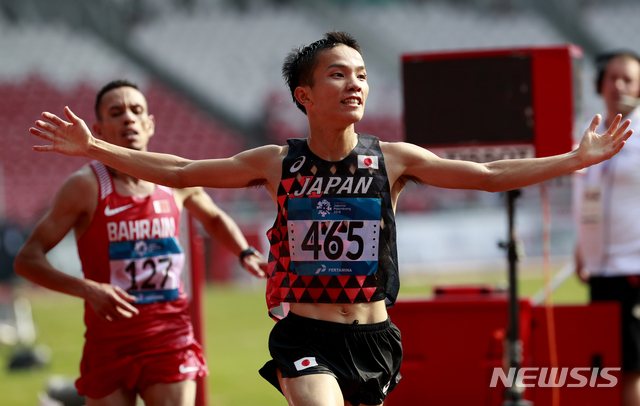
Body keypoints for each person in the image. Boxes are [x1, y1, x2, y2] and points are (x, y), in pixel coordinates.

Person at [28, 32, 632, 406]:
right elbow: (184, 171)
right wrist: (98, 150)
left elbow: (490, 176)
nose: (355, 84)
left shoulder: (393, 160)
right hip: (305, 337)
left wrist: (574, 159)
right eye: (338, 74)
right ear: (304, 95)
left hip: (374, 336)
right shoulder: (274, 162)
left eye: (362, 75)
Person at [14, 79, 267, 406]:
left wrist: (244, 252)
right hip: (109, 341)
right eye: (116, 113)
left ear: (150, 124)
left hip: (169, 336)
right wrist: (89, 289)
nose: (128, 119)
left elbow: (214, 218)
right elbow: (27, 259)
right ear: (99, 130)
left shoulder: (177, 180)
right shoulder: (84, 187)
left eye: (136, 111)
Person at [574, 50, 640, 406]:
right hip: (601, 270)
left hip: (634, 269)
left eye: (627, 78)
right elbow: (586, 199)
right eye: (611, 77)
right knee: (604, 368)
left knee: (631, 368)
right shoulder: (591, 133)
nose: (618, 85)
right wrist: (582, 248)